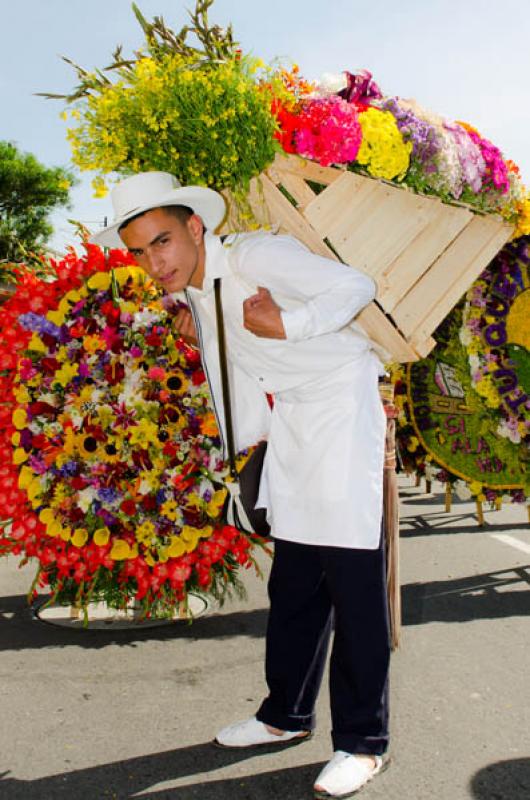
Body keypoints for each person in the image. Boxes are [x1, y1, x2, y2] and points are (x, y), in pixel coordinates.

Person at [92, 170, 391, 798]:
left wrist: (294, 322)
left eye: (164, 241)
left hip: (340, 408)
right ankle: (285, 716)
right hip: (290, 430)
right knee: (295, 583)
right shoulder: (196, 298)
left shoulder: (258, 254)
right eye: (140, 251)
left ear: (197, 227)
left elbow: (354, 285)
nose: (155, 262)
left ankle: (364, 743)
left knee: (354, 581)